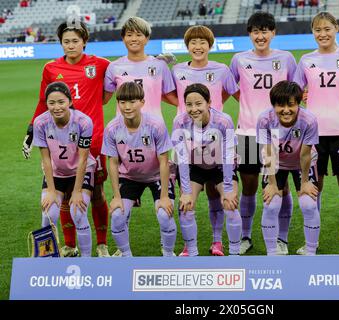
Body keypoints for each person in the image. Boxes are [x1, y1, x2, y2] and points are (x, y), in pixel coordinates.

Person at [23, 21, 111, 257]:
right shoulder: (51, 68)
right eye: (66, 41)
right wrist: (32, 127)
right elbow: (44, 102)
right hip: (60, 139)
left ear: (84, 41)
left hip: (93, 141)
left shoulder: (100, 64)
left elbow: (123, 74)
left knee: (97, 194)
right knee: (63, 195)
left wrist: (156, 63)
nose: (71, 45)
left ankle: (101, 244)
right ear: (60, 43)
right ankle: (70, 245)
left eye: (75, 40)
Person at [293, 12, 339, 254]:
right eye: (318, 30)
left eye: (327, 29)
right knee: (315, 186)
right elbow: (296, 91)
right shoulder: (306, 60)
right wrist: (304, 96)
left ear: (336, 28)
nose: (323, 34)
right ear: (313, 32)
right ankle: (312, 241)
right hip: (313, 134)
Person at [230, 12, 297, 255]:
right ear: (249, 34)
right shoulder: (239, 60)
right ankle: (246, 236)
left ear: (273, 33)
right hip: (247, 134)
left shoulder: (286, 59)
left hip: (279, 135)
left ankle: (282, 238)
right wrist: (249, 102)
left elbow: (296, 93)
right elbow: (232, 88)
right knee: (249, 186)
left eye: (265, 30)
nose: (261, 36)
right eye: (256, 31)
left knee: (281, 186)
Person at [172, 25, 239, 256]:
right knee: (186, 202)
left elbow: (231, 92)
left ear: (210, 45)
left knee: (222, 199)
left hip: (218, 146)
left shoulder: (221, 69)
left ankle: (219, 243)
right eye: (193, 42)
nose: (197, 47)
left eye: (202, 42)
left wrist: (211, 110)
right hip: (190, 147)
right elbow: (170, 94)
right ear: (187, 46)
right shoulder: (178, 69)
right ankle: (189, 247)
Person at [102, 82, 176, 257]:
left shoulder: (155, 125)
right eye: (122, 102)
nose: (127, 107)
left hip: (157, 175)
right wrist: (117, 197)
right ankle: (127, 258)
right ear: (118, 103)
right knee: (118, 216)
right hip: (129, 177)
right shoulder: (112, 128)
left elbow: (164, 161)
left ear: (142, 102)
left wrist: (164, 196)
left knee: (165, 215)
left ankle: (168, 255)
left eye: (132, 102)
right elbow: (112, 163)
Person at [33, 82, 96, 257]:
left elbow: (83, 158)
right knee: (48, 214)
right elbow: (45, 159)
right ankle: (47, 258)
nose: (56, 107)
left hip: (81, 171)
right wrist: (51, 191)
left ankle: (86, 261)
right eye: (51, 103)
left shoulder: (83, 122)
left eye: (61, 102)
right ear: (46, 104)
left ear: (69, 101)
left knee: (78, 212)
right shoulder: (40, 123)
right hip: (56, 173)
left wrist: (76, 191)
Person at [257, 81, 320, 255]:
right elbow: (267, 151)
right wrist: (271, 183)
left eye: (291, 105)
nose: (286, 110)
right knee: (271, 204)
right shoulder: (264, 119)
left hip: (302, 163)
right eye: (280, 105)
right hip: (276, 163)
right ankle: (273, 252)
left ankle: (311, 251)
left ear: (298, 103)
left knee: (308, 204)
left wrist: (305, 182)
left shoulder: (309, 120)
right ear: (273, 105)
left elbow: (305, 154)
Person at [103, 16, 178, 118]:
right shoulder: (114, 67)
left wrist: (203, 105)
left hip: (155, 129)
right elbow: (104, 100)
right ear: (123, 39)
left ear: (147, 39)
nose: (134, 39)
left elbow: (172, 98)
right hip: (124, 129)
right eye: (129, 35)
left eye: (139, 35)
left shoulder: (160, 65)